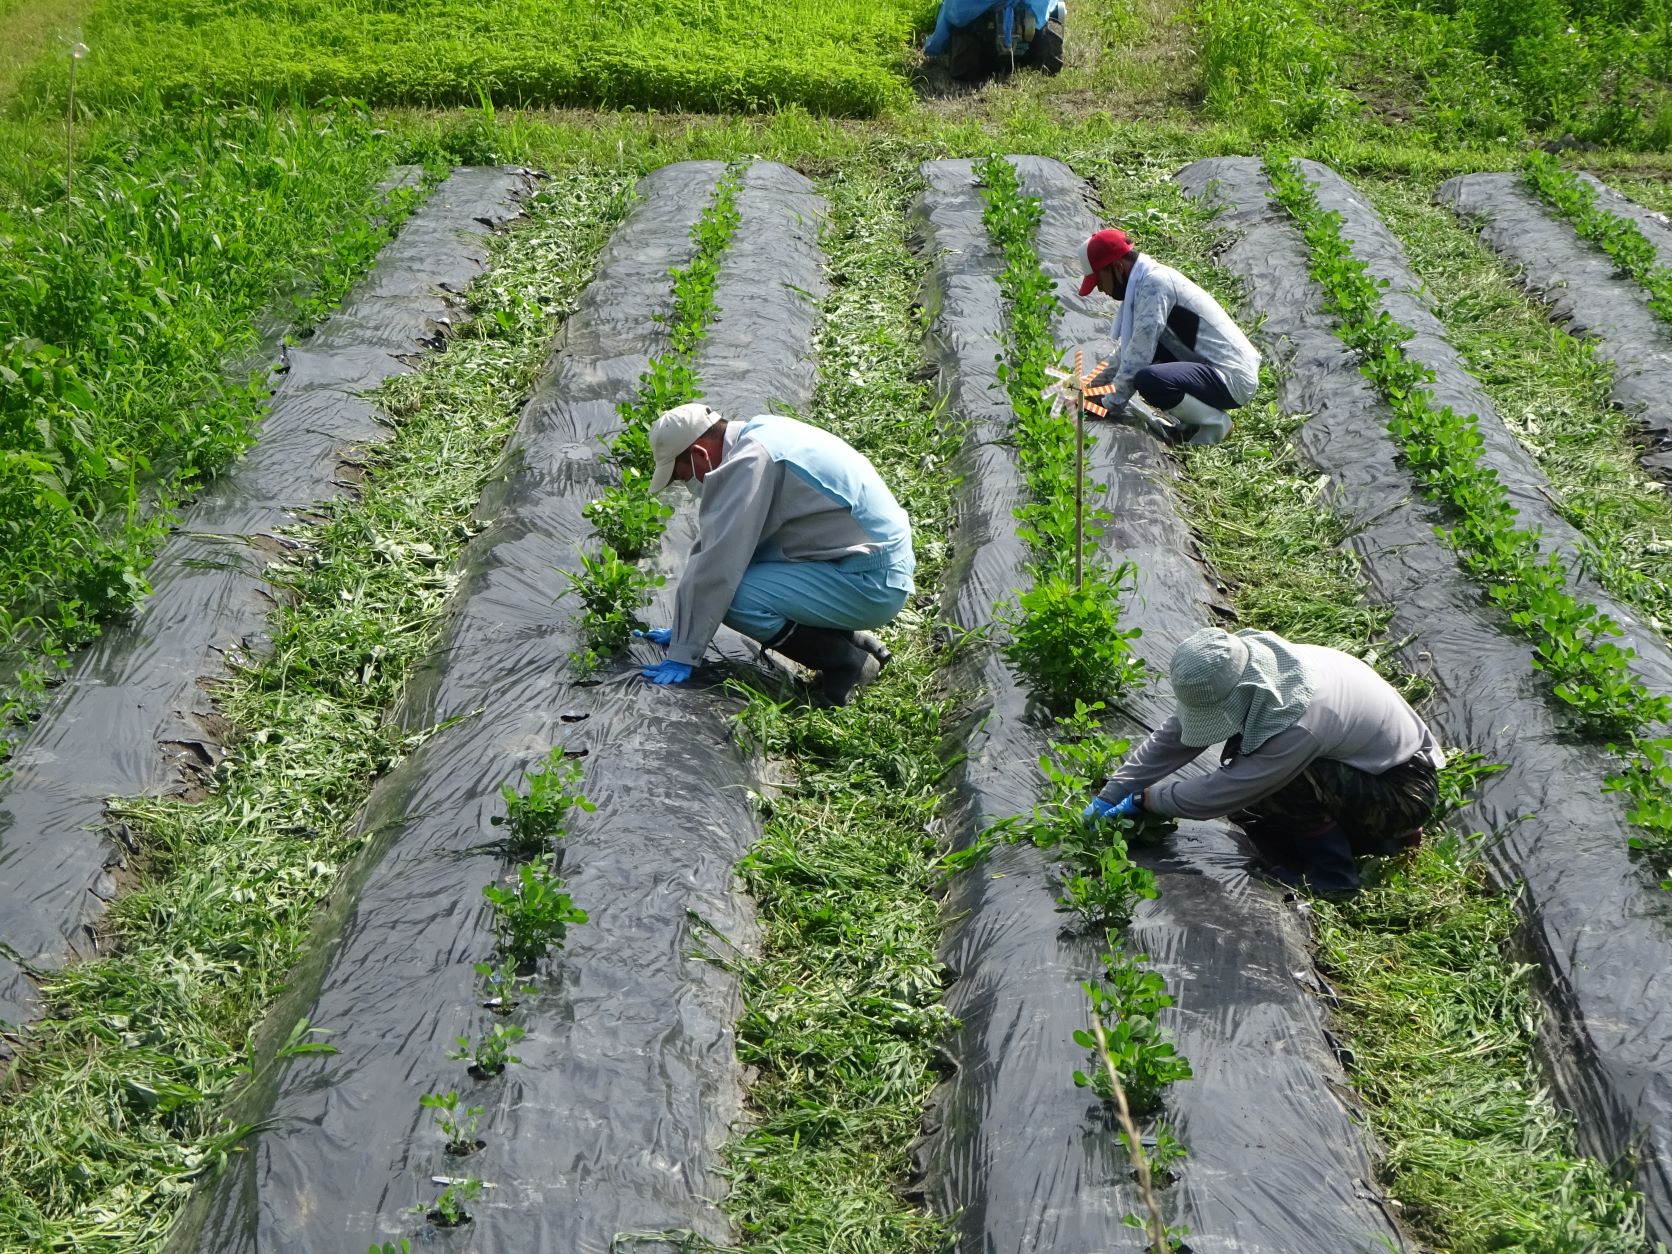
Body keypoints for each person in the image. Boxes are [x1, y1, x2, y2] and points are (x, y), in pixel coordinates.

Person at [1084, 627, 1445, 891]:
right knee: (1259, 799)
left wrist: (1145, 801)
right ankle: (1364, 838)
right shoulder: (1248, 670)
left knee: (1280, 786)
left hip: (1403, 789)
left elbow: (1224, 792)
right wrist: (1111, 794)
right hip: (1368, 765)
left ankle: (1334, 878)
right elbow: (1176, 736)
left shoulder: (1302, 721)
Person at [636, 403, 914, 707]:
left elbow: (720, 563)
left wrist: (684, 650)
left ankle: (845, 662)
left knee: (737, 598)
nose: (689, 486)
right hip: (871, 561)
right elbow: (722, 544)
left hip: (872, 581)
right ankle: (854, 642)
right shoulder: (762, 432)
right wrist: (685, 625)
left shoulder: (751, 461)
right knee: (750, 565)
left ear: (699, 454)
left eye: (682, 476)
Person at [1078, 228, 1261, 446]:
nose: (1100, 289)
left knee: (1149, 379)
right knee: (1151, 362)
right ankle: (1193, 421)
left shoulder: (1154, 285)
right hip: (1212, 368)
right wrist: (1088, 386)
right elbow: (1129, 350)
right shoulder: (1143, 281)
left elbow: (1137, 358)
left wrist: (1107, 404)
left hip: (1232, 377)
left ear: (1117, 267)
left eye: (1099, 280)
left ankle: (1215, 425)